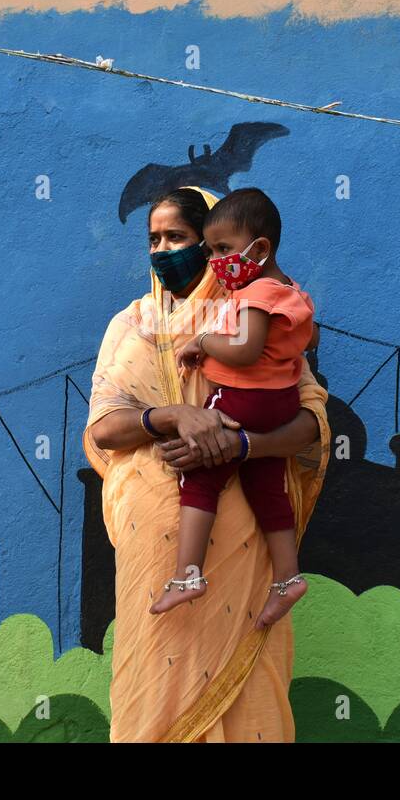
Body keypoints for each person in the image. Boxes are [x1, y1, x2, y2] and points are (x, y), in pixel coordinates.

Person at [83, 185, 330, 742]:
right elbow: (103, 429)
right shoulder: (133, 326)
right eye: (153, 239)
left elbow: (308, 422)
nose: (163, 250)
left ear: (214, 244)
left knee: (250, 695)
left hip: (243, 541)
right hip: (154, 546)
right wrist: (173, 417)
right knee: (151, 691)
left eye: (179, 237)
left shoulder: (254, 315)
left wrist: (238, 446)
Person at [150, 188, 316, 630]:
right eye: (213, 251)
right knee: (267, 486)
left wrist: (203, 341)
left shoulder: (254, 292)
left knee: (200, 475)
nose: (217, 261)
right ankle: (287, 578)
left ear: (260, 248)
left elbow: (244, 350)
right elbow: (308, 339)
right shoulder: (289, 291)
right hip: (280, 402)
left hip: (241, 399)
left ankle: (187, 574)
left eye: (223, 249)